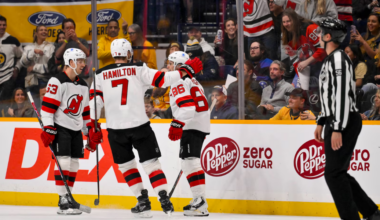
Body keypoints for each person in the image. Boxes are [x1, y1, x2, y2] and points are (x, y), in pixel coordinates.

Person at [87, 39, 203, 217]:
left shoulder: (100, 74)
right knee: (151, 164)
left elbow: (95, 102)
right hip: (140, 125)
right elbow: (163, 80)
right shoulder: (138, 68)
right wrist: (186, 70)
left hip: (115, 129)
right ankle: (163, 196)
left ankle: (142, 201)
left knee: (127, 167)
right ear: (128, 54)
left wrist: (93, 125)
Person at [314, 18, 380, 220]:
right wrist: (321, 121)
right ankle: (371, 212)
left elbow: (342, 95)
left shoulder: (338, 59)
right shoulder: (332, 59)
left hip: (343, 120)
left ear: (327, 37)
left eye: (319, 32)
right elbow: (329, 95)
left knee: (333, 174)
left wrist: (337, 128)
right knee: (337, 172)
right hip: (336, 119)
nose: (316, 35)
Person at [40, 48, 100, 215]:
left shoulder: (83, 84)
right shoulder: (56, 81)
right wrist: (49, 127)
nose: (83, 64)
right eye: (80, 61)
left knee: (74, 164)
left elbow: (85, 111)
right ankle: (62, 199)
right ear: (71, 62)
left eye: (83, 61)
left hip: (75, 129)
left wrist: (89, 131)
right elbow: (47, 108)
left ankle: (69, 196)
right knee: (64, 162)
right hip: (61, 127)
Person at [166, 51, 210, 216]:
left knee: (190, 162)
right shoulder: (192, 80)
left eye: (171, 63)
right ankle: (199, 199)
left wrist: (177, 123)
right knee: (189, 161)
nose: (168, 66)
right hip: (198, 124)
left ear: (179, 66)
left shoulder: (179, 80)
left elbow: (188, 107)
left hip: (190, 124)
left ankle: (200, 201)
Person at [281, 9, 327, 87]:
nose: (286, 24)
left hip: (323, 64)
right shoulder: (288, 35)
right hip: (308, 67)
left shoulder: (310, 28)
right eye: (284, 22)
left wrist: (307, 62)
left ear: (295, 20)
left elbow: (323, 49)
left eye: (288, 21)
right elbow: (294, 59)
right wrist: (300, 75)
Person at [20, 25, 55, 110]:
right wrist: (33, 52)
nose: (44, 31)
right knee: (32, 107)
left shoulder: (51, 47)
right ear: (36, 33)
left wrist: (34, 67)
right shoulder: (29, 48)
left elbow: (51, 67)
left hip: (45, 80)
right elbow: (22, 63)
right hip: (30, 80)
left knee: (45, 107)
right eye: (41, 30)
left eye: (45, 30)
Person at [0, 15, 23, 115]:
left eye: (4, 25)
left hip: (7, 78)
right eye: (0, 25)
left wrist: (17, 68)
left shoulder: (13, 41)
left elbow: (21, 57)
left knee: (5, 106)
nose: (2, 27)